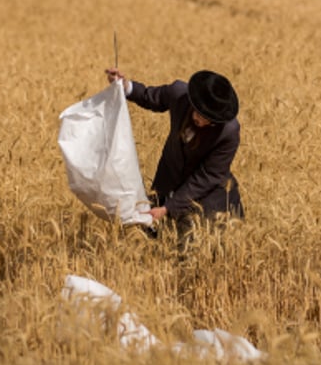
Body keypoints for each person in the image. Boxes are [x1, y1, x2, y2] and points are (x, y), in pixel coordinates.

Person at [104, 67, 245, 239]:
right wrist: (124, 86)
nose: (201, 120)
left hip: (207, 196)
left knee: (197, 246)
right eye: (200, 114)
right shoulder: (179, 93)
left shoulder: (229, 132)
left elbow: (208, 175)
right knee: (151, 236)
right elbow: (150, 97)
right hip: (168, 180)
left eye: (209, 119)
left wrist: (169, 208)